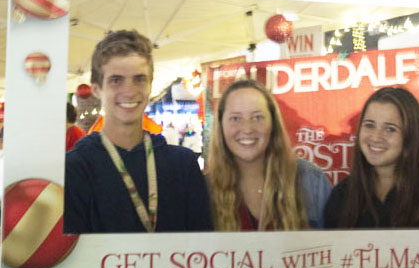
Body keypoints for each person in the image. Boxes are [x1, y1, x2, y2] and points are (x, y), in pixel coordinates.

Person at [64, 30, 212, 233]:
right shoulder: (74, 169)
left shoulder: (182, 165)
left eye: (139, 79)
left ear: (150, 85)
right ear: (97, 89)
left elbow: (202, 242)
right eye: (116, 80)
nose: (129, 90)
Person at [324, 87, 419, 229]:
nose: (376, 137)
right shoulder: (342, 195)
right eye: (369, 125)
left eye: (390, 129)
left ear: (411, 135)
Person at [206, 79, 331, 231]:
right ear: (220, 125)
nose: (247, 128)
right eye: (235, 118)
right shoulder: (204, 189)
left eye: (258, 117)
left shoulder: (311, 181)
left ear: (273, 124)